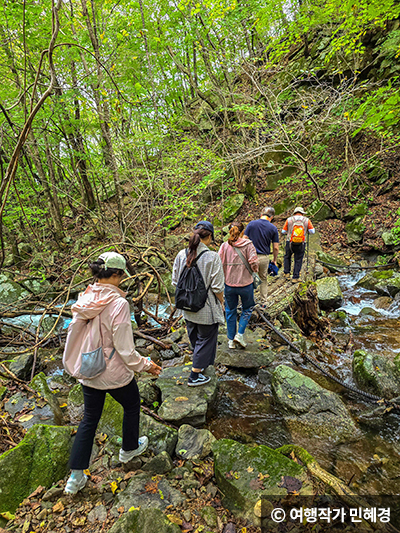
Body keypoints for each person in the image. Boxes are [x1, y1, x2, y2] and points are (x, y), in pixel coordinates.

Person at [63, 252, 161, 495]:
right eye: (121, 276)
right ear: (116, 274)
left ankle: (75, 477)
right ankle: (129, 449)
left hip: (88, 368)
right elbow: (125, 350)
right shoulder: (118, 304)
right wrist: (146, 364)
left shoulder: (84, 298)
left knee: (89, 420)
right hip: (114, 372)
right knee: (132, 404)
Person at [172, 221, 225, 386]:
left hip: (186, 306)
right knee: (207, 337)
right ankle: (195, 375)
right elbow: (217, 287)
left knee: (195, 336)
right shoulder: (212, 257)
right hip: (205, 307)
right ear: (209, 236)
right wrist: (222, 302)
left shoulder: (181, 254)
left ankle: (200, 365)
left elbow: (175, 281)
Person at [218, 222, 259, 349]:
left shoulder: (224, 246)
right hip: (246, 284)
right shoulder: (248, 244)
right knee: (248, 308)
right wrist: (254, 270)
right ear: (242, 232)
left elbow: (218, 262)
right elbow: (253, 263)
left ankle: (230, 340)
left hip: (229, 285)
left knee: (230, 311)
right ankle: (240, 335)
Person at [243, 207, 279, 304]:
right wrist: (274, 260)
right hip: (264, 257)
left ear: (261, 215)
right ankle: (264, 302)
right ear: (271, 217)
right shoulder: (273, 228)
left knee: (249, 279)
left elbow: (244, 239)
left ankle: (248, 302)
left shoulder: (251, 224)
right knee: (263, 279)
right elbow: (276, 248)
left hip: (251, 256)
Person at [282, 207, 315, 281]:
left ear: (294, 212)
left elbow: (283, 231)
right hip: (301, 242)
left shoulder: (289, 219)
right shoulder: (306, 220)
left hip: (289, 242)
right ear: (302, 213)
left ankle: (287, 273)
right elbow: (312, 231)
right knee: (298, 259)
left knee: (287, 256)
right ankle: (295, 277)